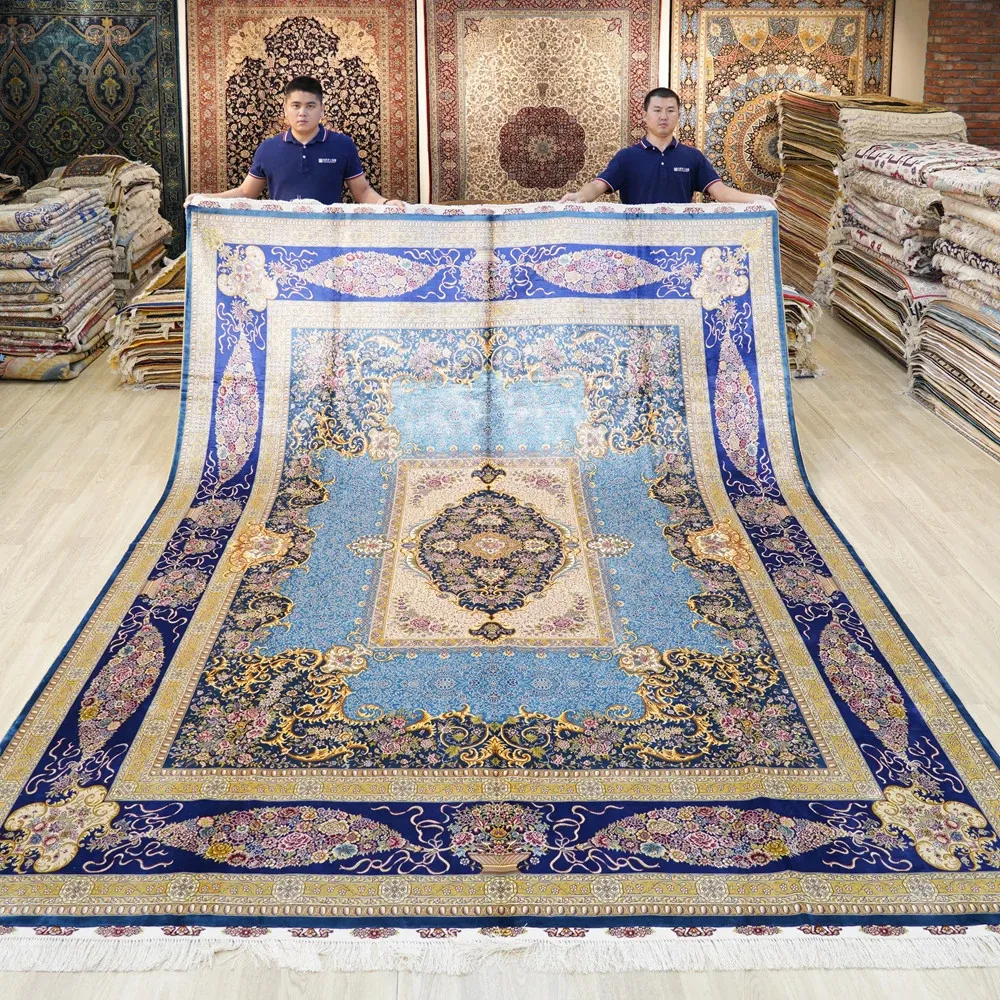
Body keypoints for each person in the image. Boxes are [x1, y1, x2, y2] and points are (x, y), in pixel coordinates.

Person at [561, 87, 774, 207]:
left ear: (678, 116)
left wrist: (755, 199)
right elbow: (597, 186)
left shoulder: (692, 157)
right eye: (657, 110)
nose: (663, 116)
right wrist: (579, 196)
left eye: (670, 110)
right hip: (635, 241)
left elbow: (721, 193)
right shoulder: (626, 157)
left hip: (679, 244)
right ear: (645, 116)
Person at [214, 76, 403, 207]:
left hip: (329, 237)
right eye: (295, 106)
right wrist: (206, 199)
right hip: (282, 239)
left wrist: (385, 204)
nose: (302, 113)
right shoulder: (268, 148)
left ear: (322, 109)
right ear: (285, 109)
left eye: (310, 106)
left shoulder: (343, 145)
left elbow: (362, 192)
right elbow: (246, 193)